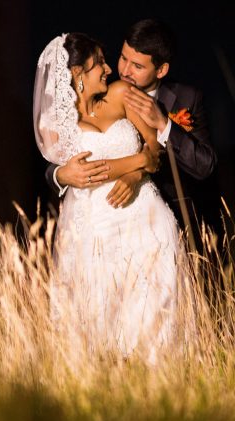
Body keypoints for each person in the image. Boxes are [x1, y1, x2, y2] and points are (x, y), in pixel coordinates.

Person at [33, 32, 186, 362]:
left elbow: (155, 149)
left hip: (144, 217)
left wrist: (137, 172)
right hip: (91, 227)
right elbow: (85, 174)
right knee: (96, 321)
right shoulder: (56, 124)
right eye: (99, 63)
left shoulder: (120, 94)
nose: (108, 69)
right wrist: (135, 161)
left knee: (151, 315)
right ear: (77, 74)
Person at [45, 20, 217, 222]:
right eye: (123, 58)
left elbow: (205, 166)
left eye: (137, 66)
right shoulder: (102, 90)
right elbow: (57, 155)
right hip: (104, 216)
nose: (124, 70)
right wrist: (60, 175)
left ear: (161, 70)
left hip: (173, 215)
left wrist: (164, 124)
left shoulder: (187, 98)